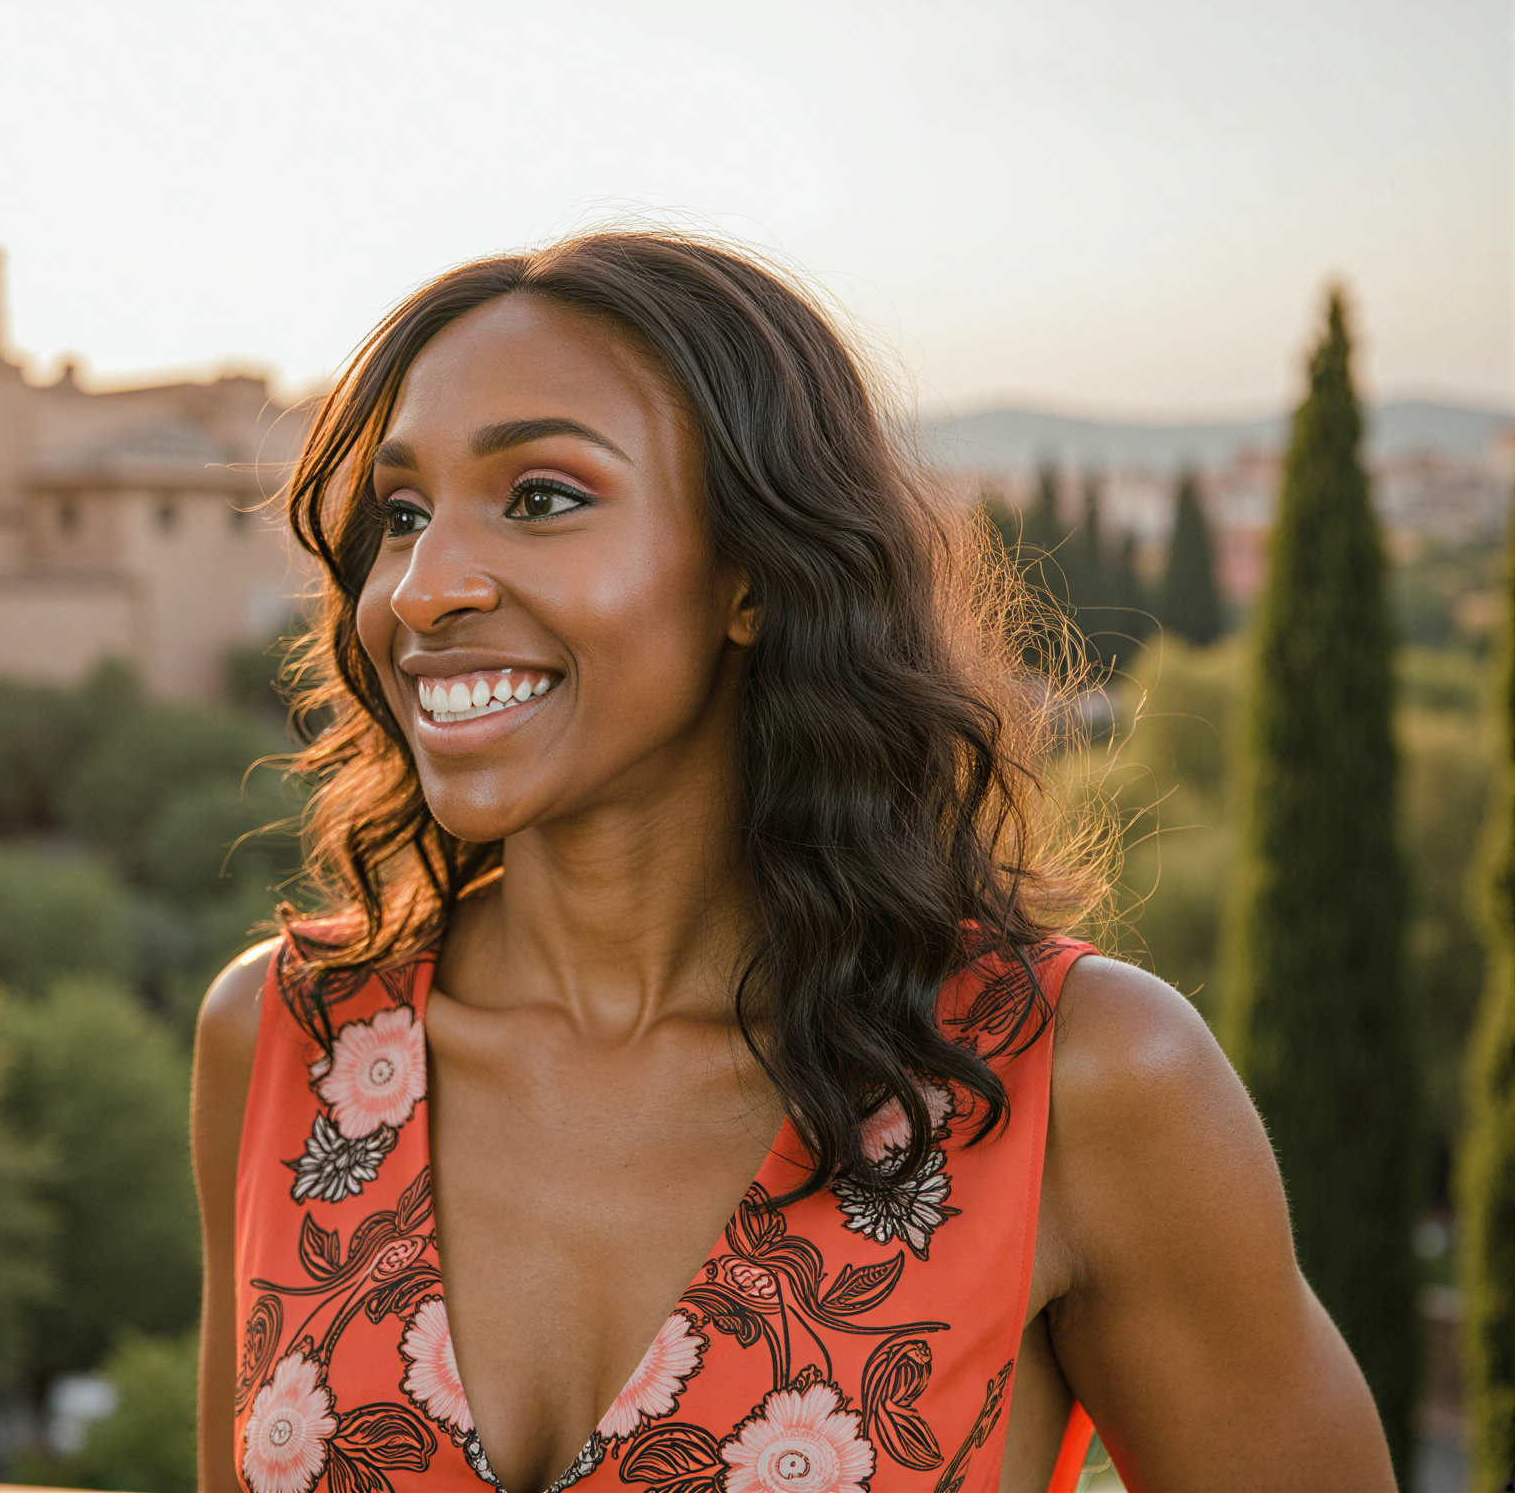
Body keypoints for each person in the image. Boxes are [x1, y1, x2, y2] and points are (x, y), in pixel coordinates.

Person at [191, 232, 1396, 1493]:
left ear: (753, 576)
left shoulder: (1075, 1081)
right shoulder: (280, 1043)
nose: (421, 588)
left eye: (541, 497)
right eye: (399, 514)